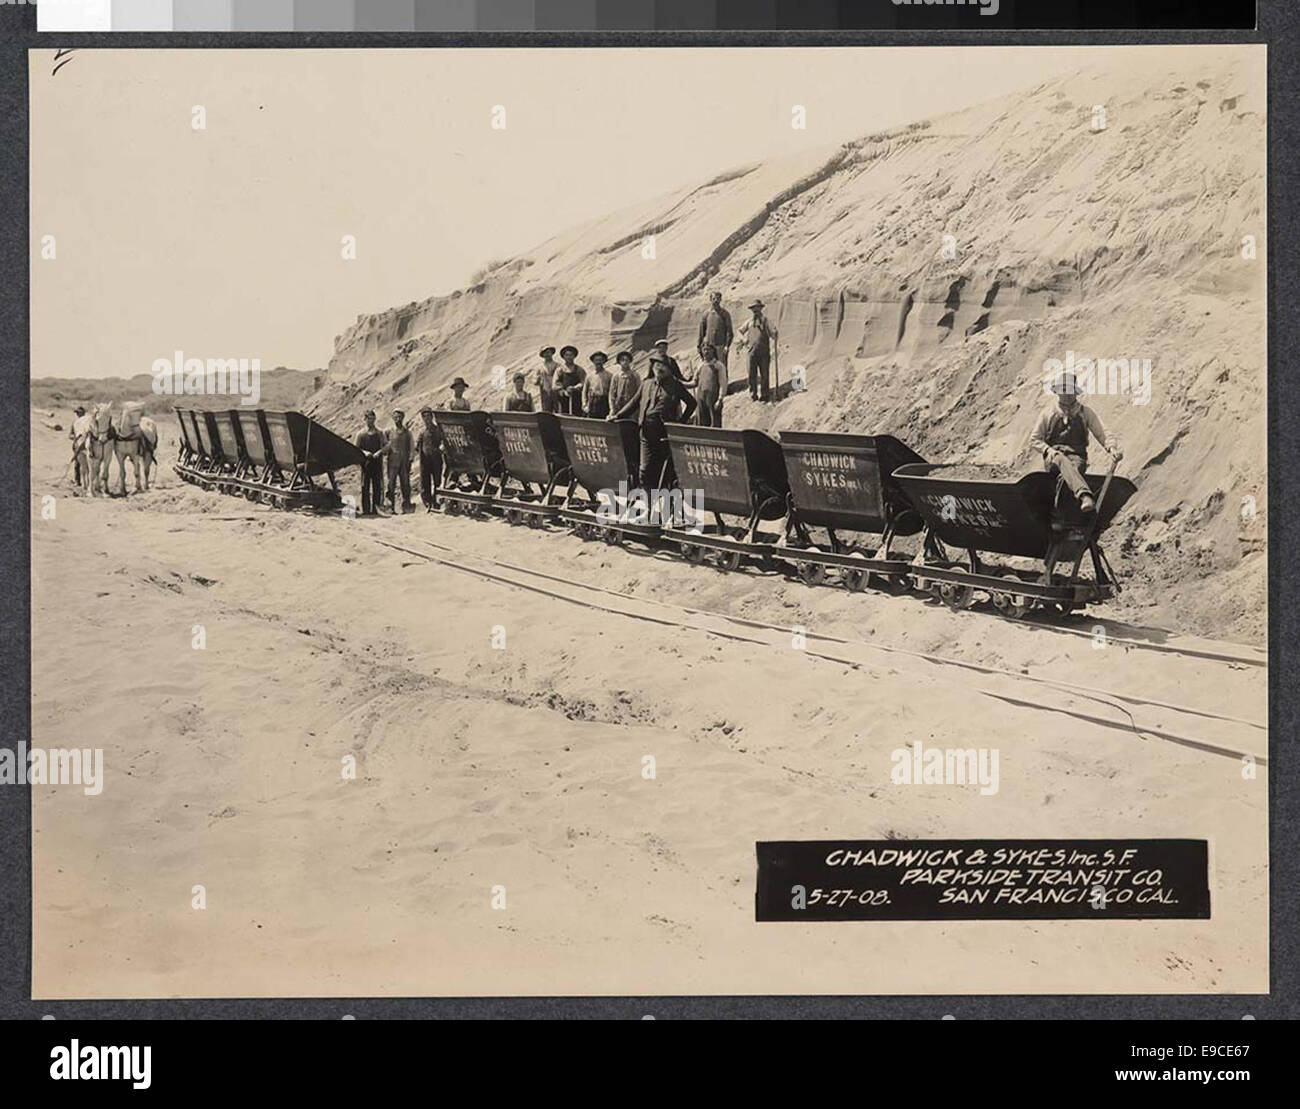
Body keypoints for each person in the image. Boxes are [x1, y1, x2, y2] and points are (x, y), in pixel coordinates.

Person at [1028, 373, 1122, 513]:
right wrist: (1049, 451)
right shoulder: (1048, 413)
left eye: (1070, 390)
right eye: (1063, 390)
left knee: (1073, 471)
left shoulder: (1085, 413)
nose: (1067, 395)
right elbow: (1034, 439)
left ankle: (1059, 515)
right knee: (1060, 459)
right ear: (1058, 392)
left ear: (1075, 392)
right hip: (1054, 458)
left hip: (1077, 457)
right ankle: (1084, 495)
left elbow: (1102, 432)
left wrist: (1112, 448)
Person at [614, 352, 696, 490]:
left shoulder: (675, 385)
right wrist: (617, 416)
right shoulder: (646, 383)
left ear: (670, 370)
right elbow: (634, 402)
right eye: (657, 365)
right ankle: (649, 501)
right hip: (645, 433)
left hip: (664, 434)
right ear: (652, 367)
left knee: (665, 471)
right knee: (645, 470)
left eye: (663, 366)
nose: (659, 369)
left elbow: (692, 403)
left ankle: (667, 502)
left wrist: (680, 422)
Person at [738, 300, 777, 402]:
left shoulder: (766, 320)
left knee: (764, 374)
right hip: (751, 352)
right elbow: (740, 331)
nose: (755, 310)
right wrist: (744, 339)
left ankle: (765, 395)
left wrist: (775, 333)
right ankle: (753, 394)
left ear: (760, 308)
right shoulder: (749, 322)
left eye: (757, 307)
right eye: (753, 308)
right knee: (752, 374)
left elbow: (773, 334)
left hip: (764, 353)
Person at [354, 409, 385, 516]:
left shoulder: (380, 433)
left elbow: (386, 446)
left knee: (377, 486)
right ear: (364, 419)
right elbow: (355, 448)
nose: (370, 421)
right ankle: (366, 510)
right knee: (365, 486)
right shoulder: (360, 434)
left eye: (372, 419)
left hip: (377, 462)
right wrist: (364, 452)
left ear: (375, 419)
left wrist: (379, 452)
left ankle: (376, 509)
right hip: (366, 463)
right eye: (368, 419)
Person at [690, 342, 727, 428]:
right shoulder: (700, 365)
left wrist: (720, 399)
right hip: (701, 399)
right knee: (701, 423)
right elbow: (694, 383)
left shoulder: (719, 366)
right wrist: (680, 383)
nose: (706, 352)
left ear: (713, 351)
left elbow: (723, 384)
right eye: (704, 350)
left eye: (708, 349)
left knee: (714, 423)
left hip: (713, 400)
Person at [386, 409, 414, 512]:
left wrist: (410, 459)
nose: (398, 419)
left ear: (403, 418)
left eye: (400, 417)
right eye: (395, 417)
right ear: (393, 418)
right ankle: (390, 507)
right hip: (392, 462)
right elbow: (384, 446)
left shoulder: (407, 433)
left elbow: (412, 446)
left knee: (405, 484)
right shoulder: (388, 432)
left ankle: (406, 506)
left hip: (404, 462)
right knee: (391, 484)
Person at [416, 406, 444, 512]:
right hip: (425, 460)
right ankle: (427, 502)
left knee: (437, 480)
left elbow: (443, 441)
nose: (427, 418)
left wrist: (441, 448)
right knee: (425, 481)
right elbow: (417, 446)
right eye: (425, 416)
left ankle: (436, 501)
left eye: (429, 416)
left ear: (432, 417)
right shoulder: (422, 432)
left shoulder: (438, 430)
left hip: (436, 458)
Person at [697, 291, 733, 370]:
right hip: (709, 347)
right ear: (710, 299)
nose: (716, 300)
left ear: (720, 300)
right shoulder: (706, 314)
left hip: (721, 346)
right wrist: (699, 346)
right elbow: (701, 332)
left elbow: (729, 332)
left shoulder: (725, 314)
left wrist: (727, 346)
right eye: (714, 298)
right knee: (710, 367)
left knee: (722, 367)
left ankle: (723, 382)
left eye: (718, 298)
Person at [608, 351, 640, 420]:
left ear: (630, 361)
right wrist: (612, 408)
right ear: (619, 362)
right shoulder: (616, 376)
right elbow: (612, 394)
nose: (625, 362)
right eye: (622, 360)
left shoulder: (635, 375)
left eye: (627, 360)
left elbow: (639, 392)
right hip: (618, 407)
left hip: (631, 408)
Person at [555, 346, 586, 416]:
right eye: (567, 355)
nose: (569, 357)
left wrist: (575, 388)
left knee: (577, 414)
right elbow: (556, 383)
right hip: (563, 398)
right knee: (564, 414)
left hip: (576, 397)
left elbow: (584, 382)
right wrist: (563, 391)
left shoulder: (579, 369)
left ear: (574, 356)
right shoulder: (560, 370)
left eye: (571, 355)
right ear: (563, 357)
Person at [582, 351, 613, 419]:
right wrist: (584, 405)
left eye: (600, 360)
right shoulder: (589, 376)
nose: (598, 362)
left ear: (604, 361)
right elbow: (584, 391)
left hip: (604, 402)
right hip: (592, 402)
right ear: (593, 361)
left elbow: (612, 392)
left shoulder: (609, 375)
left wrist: (612, 408)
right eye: (596, 360)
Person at [535, 346, 559, 413]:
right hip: (545, 392)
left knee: (557, 410)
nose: (547, 354)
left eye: (548, 352)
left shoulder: (558, 366)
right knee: (546, 411)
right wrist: (538, 379)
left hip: (556, 391)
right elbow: (536, 382)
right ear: (543, 355)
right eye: (545, 353)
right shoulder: (540, 367)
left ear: (552, 353)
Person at [69, 405, 89, 485]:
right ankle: (77, 480)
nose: (78, 414)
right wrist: (75, 437)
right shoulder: (75, 423)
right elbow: (70, 435)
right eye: (77, 413)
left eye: (79, 413)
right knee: (77, 463)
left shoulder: (88, 422)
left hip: (87, 445)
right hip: (77, 444)